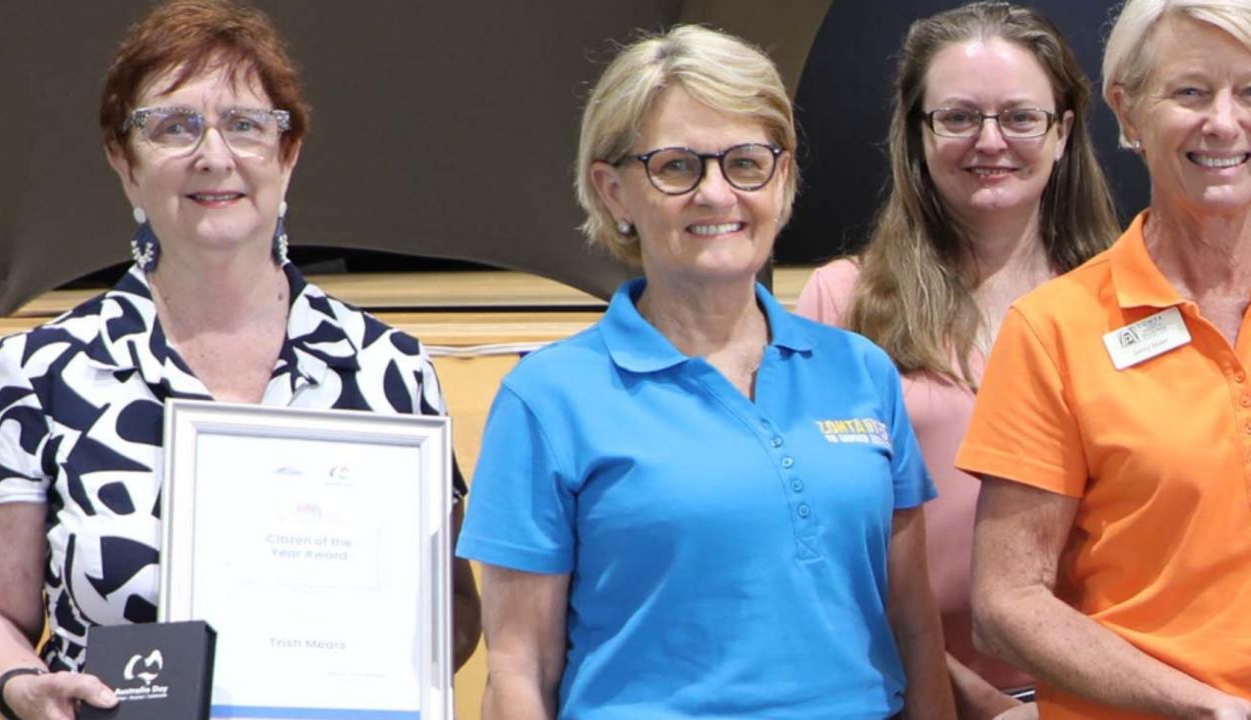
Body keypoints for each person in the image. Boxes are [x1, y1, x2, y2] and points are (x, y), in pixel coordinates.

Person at [0, 2, 481, 718]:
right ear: (124, 161)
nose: (213, 155)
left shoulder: (389, 370)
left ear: (288, 153)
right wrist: (19, 686)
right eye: (174, 126)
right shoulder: (46, 370)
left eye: (244, 124)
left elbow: (453, 615)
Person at [456, 24, 955, 720]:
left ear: (781, 177)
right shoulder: (549, 399)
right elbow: (518, 667)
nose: (717, 194)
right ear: (613, 192)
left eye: (746, 162)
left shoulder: (860, 371)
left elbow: (912, 628)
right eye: (677, 166)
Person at [793, 3, 1119, 717]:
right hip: (906, 695)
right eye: (959, 117)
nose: (991, 141)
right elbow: (811, 546)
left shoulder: (1128, 304)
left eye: (1020, 117)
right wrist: (973, 701)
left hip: (1106, 700)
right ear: (916, 135)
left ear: (1064, 132)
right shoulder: (841, 306)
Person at [959, 0, 1251, 717]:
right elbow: (1006, 601)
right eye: (1190, 91)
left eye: (1250, 91)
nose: (1224, 121)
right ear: (1127, 112)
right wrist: (1206, 709)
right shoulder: (1055, 330)